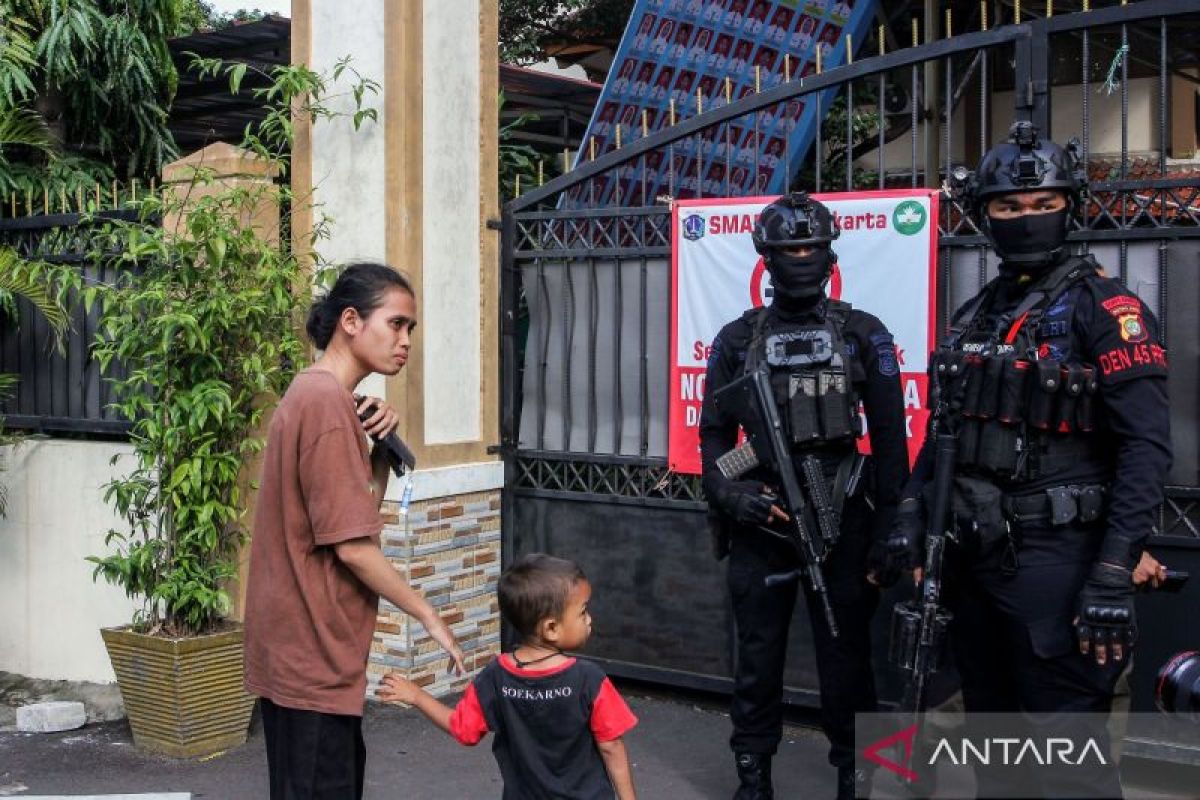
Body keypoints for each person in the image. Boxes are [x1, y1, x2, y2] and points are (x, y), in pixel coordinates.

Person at [887, 121, 1172, 798]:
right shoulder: (976, 313)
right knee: (997, 754)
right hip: (976, 558)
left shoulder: (1108, 308)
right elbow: (943, 434)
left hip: (1060, 563)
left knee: (1069, 765)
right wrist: (909, 512)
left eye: (1043, 204)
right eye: (1008, 207)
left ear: (1069, 206)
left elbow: (1146, 446)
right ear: (985, 214)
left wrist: (1110, 572)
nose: (1026, 218)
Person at [699, 192, 910, 800]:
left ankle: (857, 773)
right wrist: (730, 494)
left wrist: (893, 527)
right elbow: (714, 435)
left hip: (845, 514)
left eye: (811, 248)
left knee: (847, 659)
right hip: (763, 519)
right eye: (788, 249)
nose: (800, 258)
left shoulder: (863, 335)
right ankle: (753, 775)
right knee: (758, 658)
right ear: (766, 258)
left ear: (828, 254)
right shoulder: (737, 340)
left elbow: (892, 443)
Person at [243, 262, 466, 800]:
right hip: (310, 657)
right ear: (350, 320)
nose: (405, 340)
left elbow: (354, 515)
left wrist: (380, 455)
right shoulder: (323, 402)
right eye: (396, 323)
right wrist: (427, 613)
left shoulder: (324, 398)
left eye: (410, 328)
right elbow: (353, 549)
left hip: (309, 658)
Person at [377, 554, 639, 800]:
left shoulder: (495, 677)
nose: (589, 619)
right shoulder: (589, 680)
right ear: (551, 628)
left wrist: (417, 696)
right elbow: (611, 746)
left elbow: (463, 729)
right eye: (582, 612)